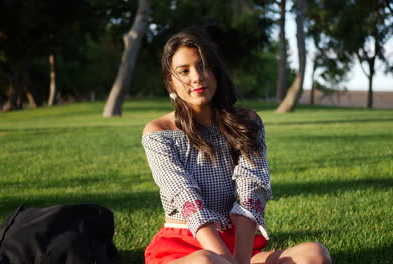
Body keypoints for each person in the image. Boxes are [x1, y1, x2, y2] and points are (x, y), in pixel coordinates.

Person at [141, 28, 332, 264]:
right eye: (184, 71)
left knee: (315, 254)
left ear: (216, 71)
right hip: (186, 246)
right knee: (207, 262)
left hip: (240, 245)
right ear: (170, 80)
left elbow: (250, 189)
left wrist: (239, 260)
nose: (197, 77)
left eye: (204, 66)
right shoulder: (158, 132)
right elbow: (186, 198)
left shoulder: (247, 122)